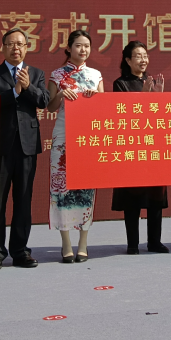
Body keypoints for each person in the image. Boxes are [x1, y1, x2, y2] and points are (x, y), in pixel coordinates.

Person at [0, 28, 48, 270]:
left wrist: (28, 87)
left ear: (27, 47)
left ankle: (21, 251)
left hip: (27, 146)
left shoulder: (36, 74)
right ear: (3, 47)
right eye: (11, 44)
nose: (15, 48)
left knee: (23, 200)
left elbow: (44, 101)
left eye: (20, 44)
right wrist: (14, 92)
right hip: (1, 146)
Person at [47, 30, 103, 262]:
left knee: (86, 188)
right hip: (63, 136)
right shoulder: (57, 74)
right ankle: (66, 243)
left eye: (87, 46)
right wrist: (61, 94)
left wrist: (95, 96)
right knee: (61, 188)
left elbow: (103, 107)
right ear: (69, 48)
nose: (83, 50)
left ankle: (83, 243)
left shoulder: (95, 75)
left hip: (87, 136)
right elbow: (50, 107)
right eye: (78, 45)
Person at [111, 40, 169, 255]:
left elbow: (160, 118)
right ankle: (133, 243)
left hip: (153, 146)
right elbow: (123, 116)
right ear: (128, 60)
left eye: (145, 56)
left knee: (155, 196)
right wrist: (144, 97)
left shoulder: (152, 82)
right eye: (138, 56)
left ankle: (154, 241)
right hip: (131, 148)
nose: (143, 60)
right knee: (132, 198)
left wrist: (158, 98)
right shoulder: (121, 84)